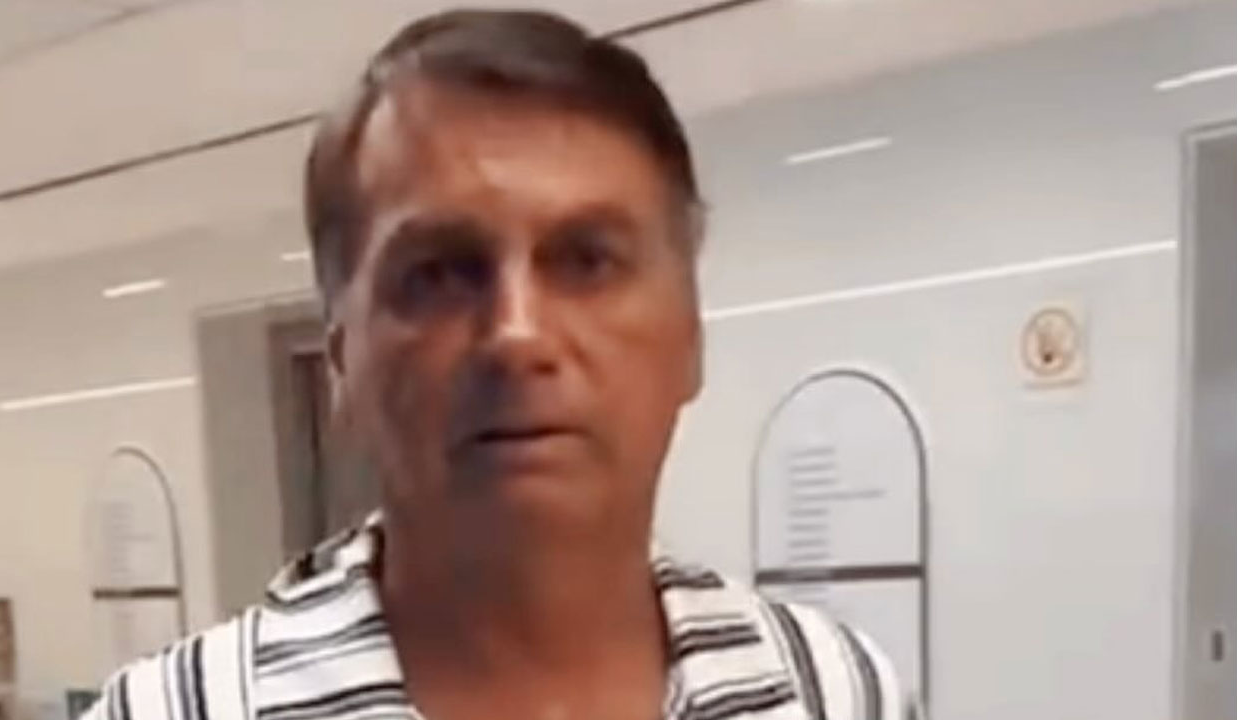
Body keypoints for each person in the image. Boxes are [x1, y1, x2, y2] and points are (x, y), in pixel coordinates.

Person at [86, 9, 919, 720]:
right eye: (440, 273)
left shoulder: (834, 691)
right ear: (342, 359)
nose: (517, 335)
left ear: (689, 338)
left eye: (588, 260)